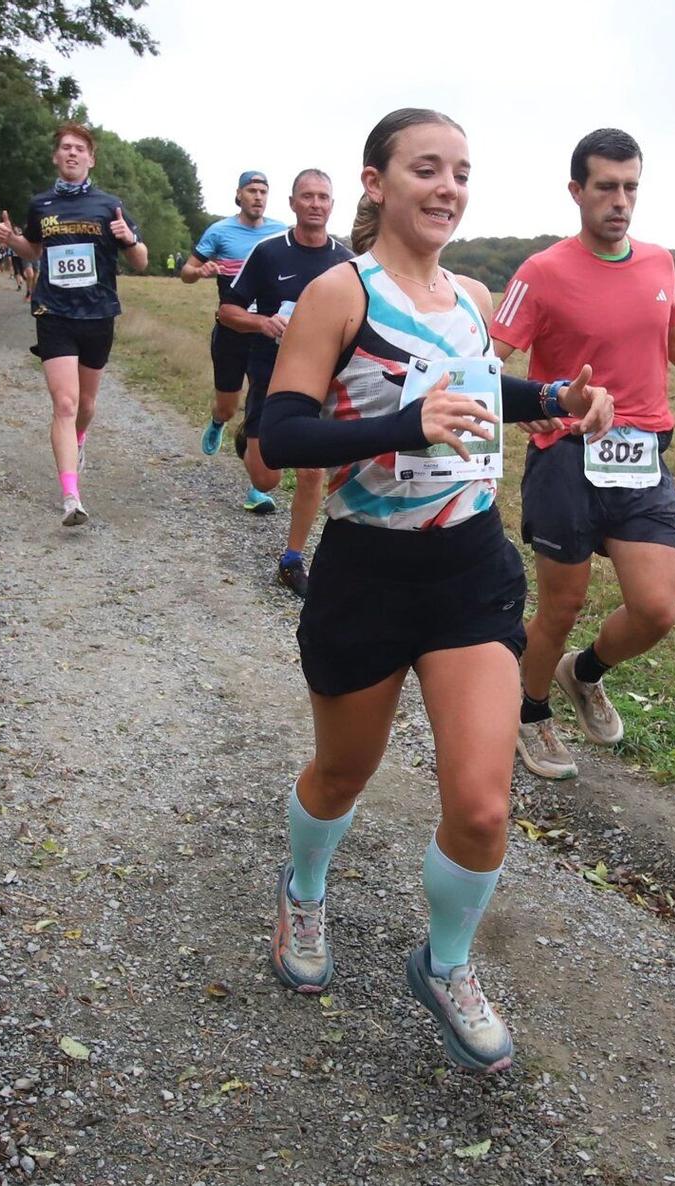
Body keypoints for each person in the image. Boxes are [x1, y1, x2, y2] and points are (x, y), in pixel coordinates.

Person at [256, 109, 614, 1073]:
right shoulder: (341, 292)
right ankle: (303, 889)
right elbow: (277, 438)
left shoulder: (470, 293)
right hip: (367, 572)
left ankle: (446, 963)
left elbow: (471, 387)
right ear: (375, 183)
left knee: (484, 804)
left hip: (468, 569)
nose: (449, 187)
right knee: (344, 774)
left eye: (462, 171)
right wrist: (400, 429)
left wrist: (553, 400)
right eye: (427, 169)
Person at [489, 128, 675, 780]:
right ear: (576, 190)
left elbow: (674, 335)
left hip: (643, 456)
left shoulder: (659, 263)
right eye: (606, 187)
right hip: (566, 454)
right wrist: (539, 403)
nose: (620, 200)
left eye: (630, 187)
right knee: (561, 605)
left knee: (657, 608)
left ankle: (581, 674)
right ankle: (527, 713)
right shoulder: (542, 272)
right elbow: (487, 361)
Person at [0, 122, 149, 526]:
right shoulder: (41, 205)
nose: (72, 153)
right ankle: (70, 497)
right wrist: (13, 242)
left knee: (86, 405)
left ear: (91, 158)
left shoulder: (109, 205)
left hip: (97, 314)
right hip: (54, 313)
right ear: (55, 157)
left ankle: (80, 440)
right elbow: (34, 247)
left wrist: (129, 240)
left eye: (80, 148)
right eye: (65, 147)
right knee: (64, 402)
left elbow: (141, 261)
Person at [219, 168, 352, 596]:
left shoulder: (346, 263)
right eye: (307, 196)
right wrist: (261, 322)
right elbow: (228, 311)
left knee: (313, 471)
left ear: (332, 205)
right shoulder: (269, 252)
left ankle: (293, 559)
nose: (316, 204)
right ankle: (248, 434)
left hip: (320, 383)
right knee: (265, 481)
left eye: (323, 197)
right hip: (270, 375)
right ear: (293, 204)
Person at [185, 170, 287, 513]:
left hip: (267, 335)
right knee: (229, 407)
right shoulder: (220, 232)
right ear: (239, 196)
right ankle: (218, 421)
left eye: (263, 191)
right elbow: (186, 271)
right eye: (251, 190)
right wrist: (199, 272)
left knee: (260, 411)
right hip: (230, 331)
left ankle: (256, 488)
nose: (258, 196)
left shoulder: (281, 233)